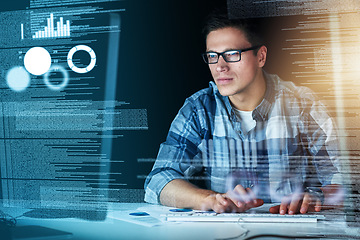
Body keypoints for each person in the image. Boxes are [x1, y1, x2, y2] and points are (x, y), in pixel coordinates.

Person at [144, 13, 343, 215]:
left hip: (292, 230)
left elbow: (347, 178)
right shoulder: (198, 109)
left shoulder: (303, 105)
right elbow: (158, 180)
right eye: (212, 56)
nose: (220, 67)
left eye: (231, 54)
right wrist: (212, 199)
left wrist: (318, 196)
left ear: (261, 56)